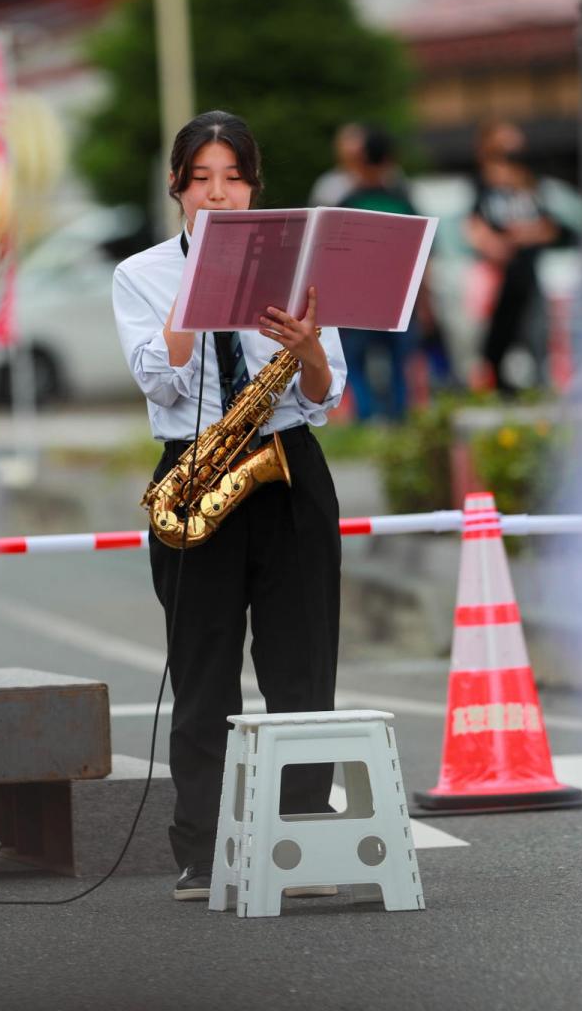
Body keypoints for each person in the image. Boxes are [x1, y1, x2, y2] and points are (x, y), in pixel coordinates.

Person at [113, 110, 347, 901]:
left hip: (287, 466)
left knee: (302, 666)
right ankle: (200, 848)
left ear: (255, 185)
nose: (218, 195)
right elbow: (157, 379)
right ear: (177, 187)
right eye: (201, 179)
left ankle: (303, 839)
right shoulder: (141, 275)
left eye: (234, 177)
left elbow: (323, 394)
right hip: (194, 467)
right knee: (205, 673)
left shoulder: (297, 268)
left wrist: (308, 347)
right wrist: (196, 294)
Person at [465, 119, 579, 393]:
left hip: (528, 272)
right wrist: (494, 243)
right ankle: (496, 389)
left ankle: (539, 388)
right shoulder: (481, 187)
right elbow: (473, 227)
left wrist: (520, 235)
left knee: (536, 332)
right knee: (495, 339)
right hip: (494, 278)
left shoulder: (531, 184)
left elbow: (554, 228)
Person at [338, 126, 422, 420]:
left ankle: (365, 417)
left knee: (355, 365)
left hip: (358, 301)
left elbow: (336, 260)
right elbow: (422, 258)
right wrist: (425, 302)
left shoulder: (348, 203)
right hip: (400, 297)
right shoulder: (403, 202)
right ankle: (400, 419)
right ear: (388, 160)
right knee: (400, 364)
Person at [308, 122, 365, 206]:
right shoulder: (328, 184)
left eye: (356, 139)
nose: (352, 148)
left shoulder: (386, 180)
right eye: (347, 140)